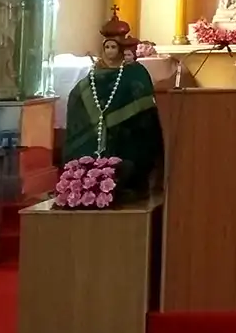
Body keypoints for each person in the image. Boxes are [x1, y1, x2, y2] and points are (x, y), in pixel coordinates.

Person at [62, 23, 165, 201]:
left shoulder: (135, 73)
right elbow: (81, 95)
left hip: (125, 138)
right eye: (107, 47)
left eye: (113, 47)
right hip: (97, 136)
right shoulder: (94, 74)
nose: (110, 51)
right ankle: (85, 178)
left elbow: (144, 105)